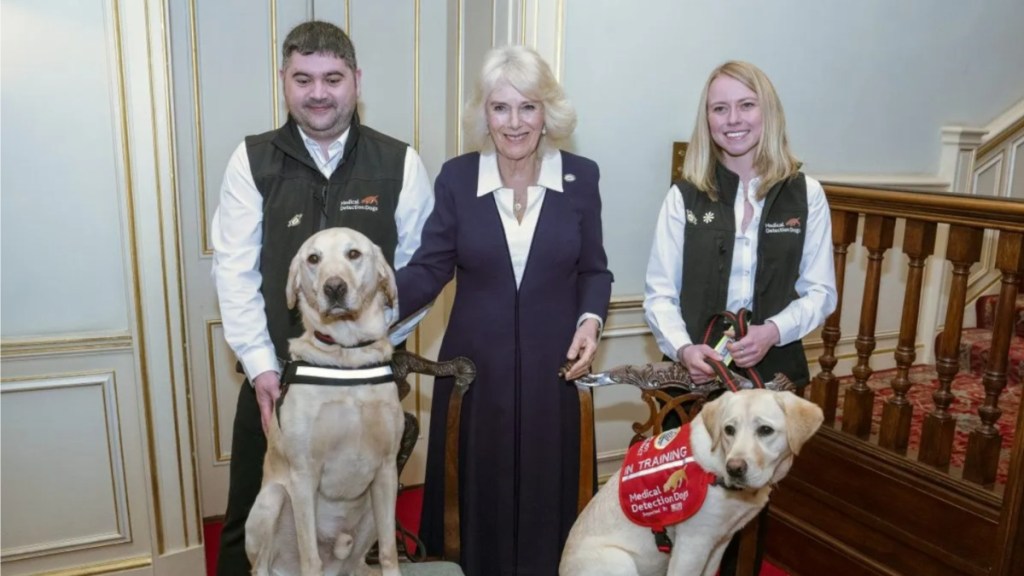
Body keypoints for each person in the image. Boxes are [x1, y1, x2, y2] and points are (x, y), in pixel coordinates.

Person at [210, 21, 433, 575]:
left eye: (332, 77)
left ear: (356, 81)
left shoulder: (400, 162)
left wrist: (373, 342)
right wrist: (263, 368)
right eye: (303, 78)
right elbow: (235, 273)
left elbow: (419, 270)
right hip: (279, 378)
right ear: (283, 81)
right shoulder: (252, 160)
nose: (318, 92)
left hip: (371, 374)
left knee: (362, 518)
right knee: (249, 519)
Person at [393, 45, 613, 576]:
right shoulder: (456, 177)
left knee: (548, 487)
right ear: (483, 114)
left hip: (554, 373)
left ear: (548, 113)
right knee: (475, 490)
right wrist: (364, 300)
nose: (514, 123)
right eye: (500, 108)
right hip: (473, 375)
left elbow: (595, 271)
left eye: (528, 107)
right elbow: (429, 269)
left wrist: (591, 320)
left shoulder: (581, 177)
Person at [643, 60, 837, 575]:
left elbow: (821, 292)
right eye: (719, 108)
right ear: (706, 120)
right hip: (696, 386)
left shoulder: (806, 194)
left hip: (772, 384)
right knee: (683, 513)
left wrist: (775, 330)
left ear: (766, 112)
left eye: (745, 105)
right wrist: (686, 348)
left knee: (748, 514)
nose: (733, 119)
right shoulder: (684, 196)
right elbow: (658, 294)